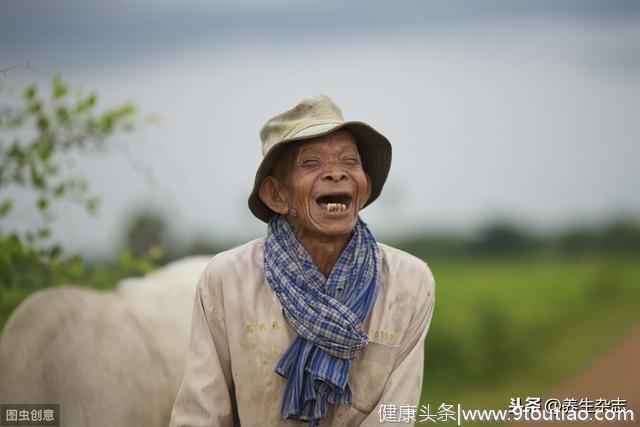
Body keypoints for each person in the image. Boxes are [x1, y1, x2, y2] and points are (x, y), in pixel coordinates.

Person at [169, 95, 436, 427]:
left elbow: (396, 415)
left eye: (350, 161)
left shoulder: (409, 282)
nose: (336, 174)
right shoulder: (227, 279)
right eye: (312, 164)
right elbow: (201, 413)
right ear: (277, 196)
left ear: (364, 190)